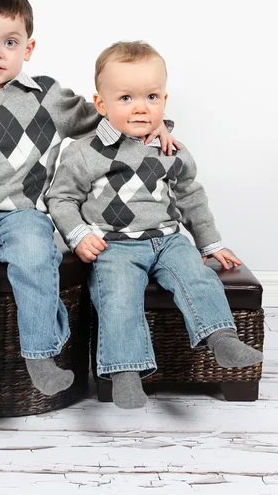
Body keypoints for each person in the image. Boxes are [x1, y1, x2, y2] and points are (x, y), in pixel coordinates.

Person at [0, 0, 177, 405]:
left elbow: (104, 115)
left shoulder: (47, 96)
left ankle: (40, 357)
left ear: (28, 48)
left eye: (9, 43)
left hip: (25, 212)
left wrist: (150, 125)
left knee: (36, 257)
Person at [46, 40, 263, 410]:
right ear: (101, 104)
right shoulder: (85, 152)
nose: (141, 107)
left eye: (151, 96)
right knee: (116, 296)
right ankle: (126, 372)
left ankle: (222, 339)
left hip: (167, 240)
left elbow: (191, 197)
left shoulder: (169, 149)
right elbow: (61, 199)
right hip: (113, 245)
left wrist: (210, 244)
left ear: (164, 99)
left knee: (197, 277)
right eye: (126, 98)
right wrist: (79, 234)